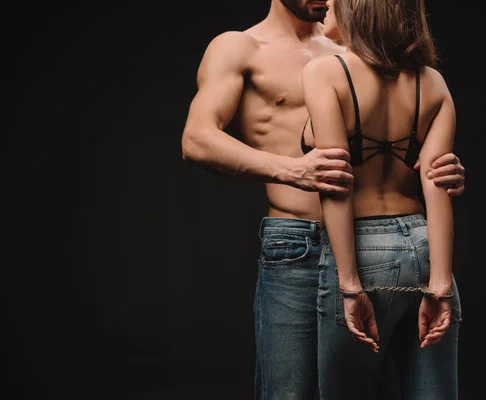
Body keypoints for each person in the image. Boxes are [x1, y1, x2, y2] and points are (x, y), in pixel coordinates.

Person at [181, 1, 466, 398]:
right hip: (295, 244)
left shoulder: (350, 47)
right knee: (289, 392)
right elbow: (197, 139)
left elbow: (398, 134)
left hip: (366, 245)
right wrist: (290, 170)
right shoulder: (241, 48)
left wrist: (440, 169)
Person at [301, 0, 462, 399]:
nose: (327, 5)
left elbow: (336, 183)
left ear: (358, 10)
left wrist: (350, 285)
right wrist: (440, 285)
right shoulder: (433, 83)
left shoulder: (326, 73)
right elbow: (437, 186)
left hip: (362, 249)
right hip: (426, 245)